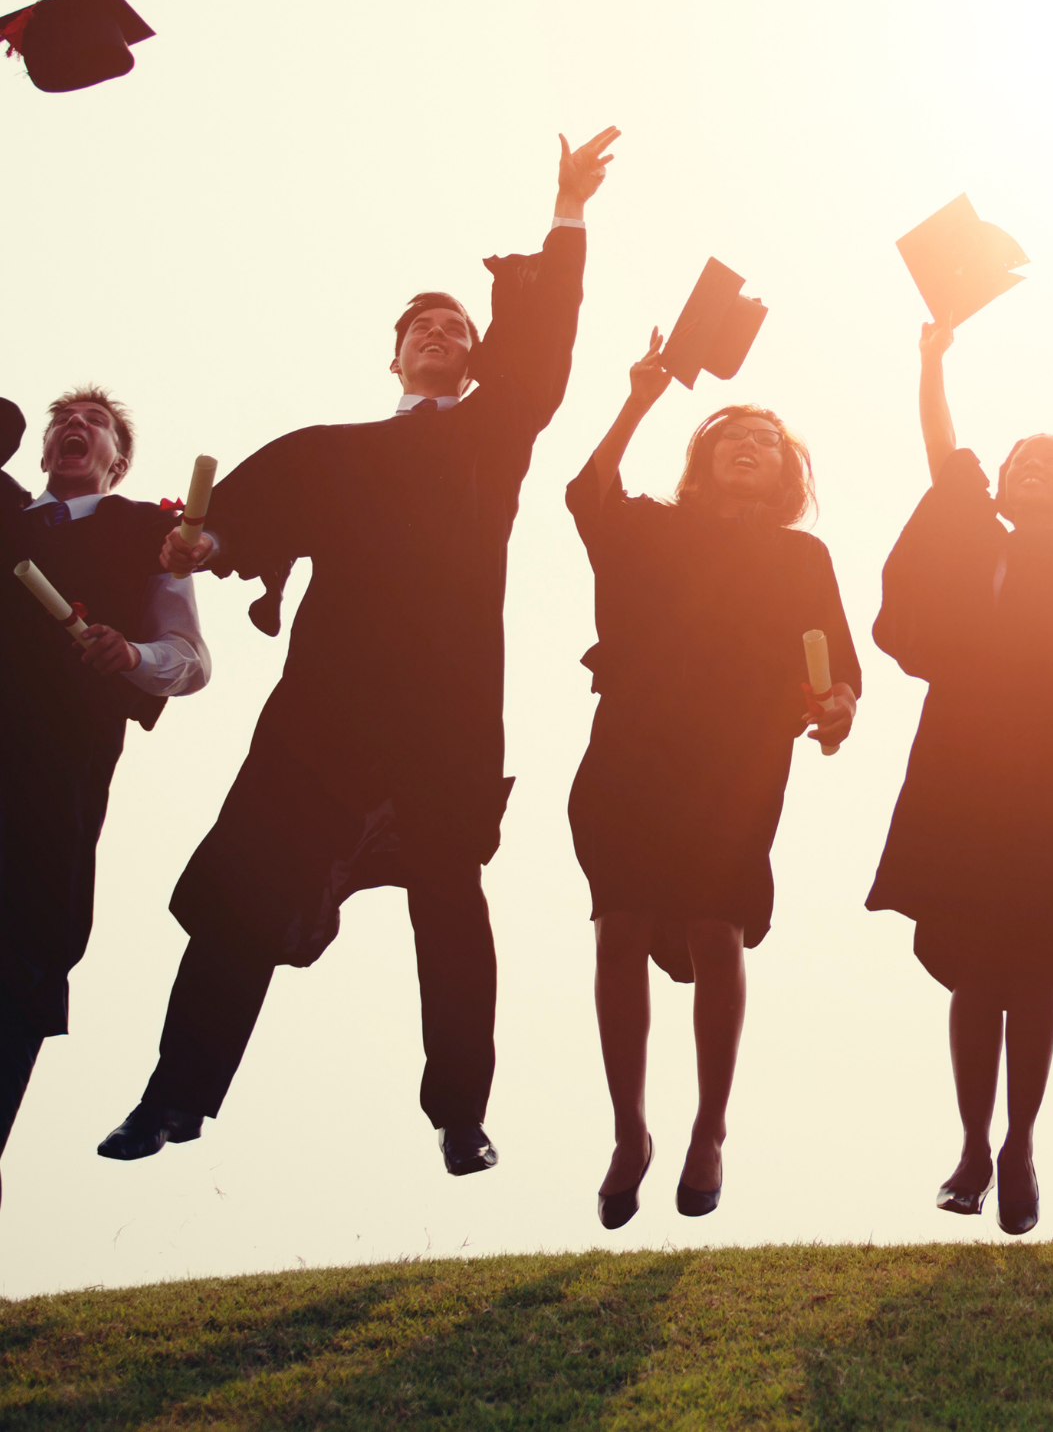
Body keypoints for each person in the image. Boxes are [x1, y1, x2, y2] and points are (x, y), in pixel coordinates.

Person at [97, 127, 618, 1176]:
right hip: (326, 709)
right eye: (422, 326)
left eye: (457, 327)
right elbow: (249, 518)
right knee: (246, 890)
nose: (441, 334)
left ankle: (460, 1114)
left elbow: (545, 351)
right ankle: (173, 1095)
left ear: (475, 358)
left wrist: (567, 214)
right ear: (395, 355)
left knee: (451, 902)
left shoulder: (491, 439)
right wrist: (210, 541)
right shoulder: (335, 453)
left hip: (445, 711)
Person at [865, 318, 1053, 1236]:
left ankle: (1020, 1144)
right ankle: (970, 1146)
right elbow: (943, 457)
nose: (1032, 467)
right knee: (973, 959)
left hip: (1051, 774)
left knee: (1031, 957)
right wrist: (931, 362)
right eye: (1020, 460)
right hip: (959, 765)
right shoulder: (975, 543)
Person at [566, 330, 858, 1229]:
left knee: (716, 925)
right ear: (701, 459)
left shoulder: (803, 559)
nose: (749, 446)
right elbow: (586, 494)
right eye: (731, 435)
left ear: (786, 474)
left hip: (740, 755)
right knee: (619, 926)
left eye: (767, 442)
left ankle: (709, 1130)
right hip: (632, 746)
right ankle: (629, 1131)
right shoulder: (652, 528)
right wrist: (639, 398)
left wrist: (838, 704)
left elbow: (839, 666)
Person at [1, 389, 209, 1199]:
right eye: (64, 421)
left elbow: (189, 657)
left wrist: (132, 656)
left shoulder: (144, 536)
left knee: (15, 976)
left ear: (117, 463)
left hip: (51, 800)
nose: (75, 428)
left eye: (97, 425)